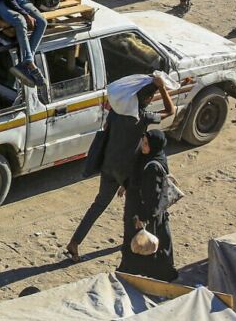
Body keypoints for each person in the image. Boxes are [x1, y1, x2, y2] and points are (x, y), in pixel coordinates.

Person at [67, 73, 176, 262]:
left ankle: (75, 242)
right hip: (128, 172)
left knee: (98, 205)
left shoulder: (117, 112)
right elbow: (170, 110)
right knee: (141, 206)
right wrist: (162, 87)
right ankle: (141, 243)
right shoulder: (142, 117)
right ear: (147, 99)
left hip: (108, 166)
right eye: (151, 97)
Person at [118, 130, 178, 282]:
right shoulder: (149, 157)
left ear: (154, 146)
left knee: (144, 244)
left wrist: (143, 218)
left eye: (146, 144)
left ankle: (139, 274)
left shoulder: (152, 168)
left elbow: (152, 196)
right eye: (143, 142)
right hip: (139, 209)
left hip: (144, 212)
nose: (142, 146)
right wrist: (125, 185)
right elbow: (134, 172)